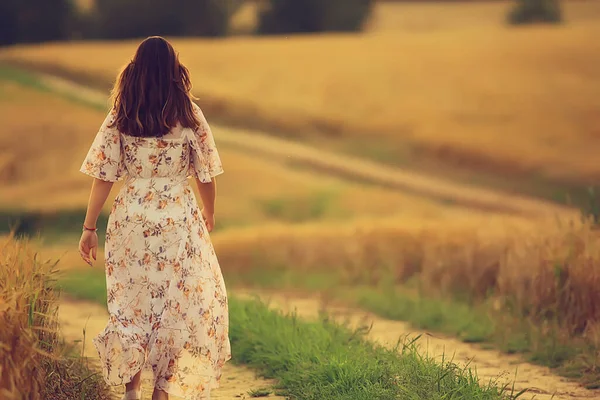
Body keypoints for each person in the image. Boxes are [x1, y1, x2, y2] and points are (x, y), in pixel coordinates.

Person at [78, 36, 230, 400]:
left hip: (130, 218)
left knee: (130, 306)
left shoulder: (122, 113)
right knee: (175, 306)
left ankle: (132, 391)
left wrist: (89, 227)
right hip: (177, 217)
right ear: (175, 69)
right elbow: (205, 175)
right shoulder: (189, 114)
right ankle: (162, 391)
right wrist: (208, 210)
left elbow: (104, 174)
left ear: (137, 69)